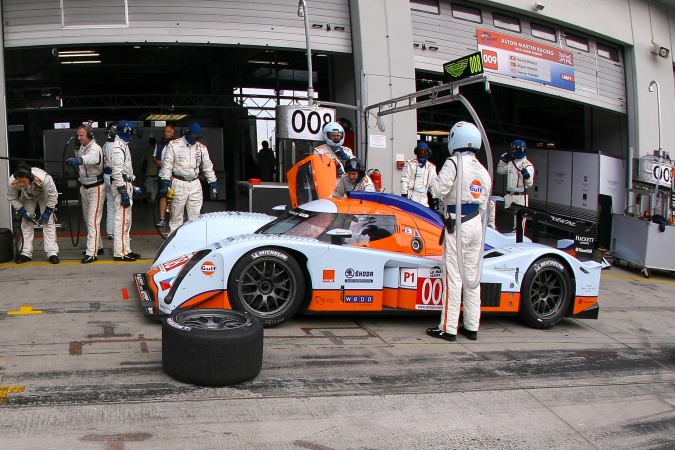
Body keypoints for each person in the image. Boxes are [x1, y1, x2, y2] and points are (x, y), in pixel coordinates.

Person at [428, 121, 492, 342]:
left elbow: (438, 189)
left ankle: (448, 328)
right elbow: (485, 205)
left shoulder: (453, 163)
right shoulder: (482, 170)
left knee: (453, 276)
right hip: (476, 225)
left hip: (458, 224)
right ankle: (472, 326)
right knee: (472, 278)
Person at [159, 122, 218, 234]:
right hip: (178, 182)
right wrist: (166, 182)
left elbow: (207, 166)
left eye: (198, 137)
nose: (195, 139)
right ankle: (174, 243)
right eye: (193, 136)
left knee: (195, 217)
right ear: (187, 133)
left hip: (195, 183)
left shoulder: (201, 148)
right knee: (176, 216)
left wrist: (213, 182)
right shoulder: (174, 145)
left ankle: (192, 243)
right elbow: (167, 165)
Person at [66, 122, 105, 264]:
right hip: (84, 187)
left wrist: (79, 159)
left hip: (96, 187)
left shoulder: (95, 148)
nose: (79, 137)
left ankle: (91, 253)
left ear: (90, 135)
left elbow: (93, 158)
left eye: (81, 135)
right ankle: (98, 246)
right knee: (88, 219)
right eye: (78, 135)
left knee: (93, 220)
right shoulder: (82, 147)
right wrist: (77, 153)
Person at [7, 164, 60, 264]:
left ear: (30, 178)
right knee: (26, 223)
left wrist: (48, 212)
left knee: (48, 222)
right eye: (19, 181)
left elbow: (53, 195)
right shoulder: (12, 181)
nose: (21, 184)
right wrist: (22, 210)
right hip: (27, 196)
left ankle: (52, 253)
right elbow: (11, 197)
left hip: (44, 195)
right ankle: (26, 253)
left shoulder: (43, 178)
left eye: (24, 181)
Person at [110, 120, 141, 261]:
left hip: (126, 184)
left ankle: (126, 249)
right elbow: (117, 172)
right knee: (121, 220)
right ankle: (120, 252)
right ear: (126, 131)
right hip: (121, 185)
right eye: (132, 131)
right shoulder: (117, 148)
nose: (133, 134)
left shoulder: (123, 145)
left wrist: (133, 187)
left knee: (126, 221)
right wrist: (123, 191)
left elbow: (125, 171)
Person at [497, 139, 535, 230]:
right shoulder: (511, 163)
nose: (512, 151)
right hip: (509, 196)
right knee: (507, 224)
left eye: (514, 149)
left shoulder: (527, 165)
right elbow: (500, 170)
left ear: (521, 149)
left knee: (518, 226)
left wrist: (526, 175)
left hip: (520, 198)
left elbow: (529, 183)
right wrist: (503, 160)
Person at [400, 142, 437, 207]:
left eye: (424, 151)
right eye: (420, 151)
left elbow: (433, 184)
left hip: (424, 198)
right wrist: (404, 194)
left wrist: (435, 198)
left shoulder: (432, 167)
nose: (422, 154)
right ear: (416, 152)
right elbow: (404, 180)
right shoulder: (410, 164)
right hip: (411, 196)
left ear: (428, 152)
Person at [153, 125, 174, 227]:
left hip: (174, 175)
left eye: (168, 131)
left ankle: (175, 218)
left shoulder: (177, 144)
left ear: (172, 133)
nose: (166, 133)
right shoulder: (159, 143)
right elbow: (154, 156)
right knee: (163, 196)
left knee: (174, 197)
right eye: (165, 131)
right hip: (162, 174)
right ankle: (162, 218)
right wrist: (157, 161)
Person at [102, 122, 117, 240]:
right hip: (115, 176)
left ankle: (110, 232)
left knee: (111, 205)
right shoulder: (116, 146)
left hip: (106, 175)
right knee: (120, 205)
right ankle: (118, 232)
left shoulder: (104, 145)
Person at [141, 137, 158, 202]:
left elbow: (141, 161)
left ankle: (153, 200)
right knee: (156, 188)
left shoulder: (147, 150)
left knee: (150, 189)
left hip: (149, 173)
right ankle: (156, 200)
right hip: (157, 173)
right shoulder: (158, 150)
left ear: (149, 143)